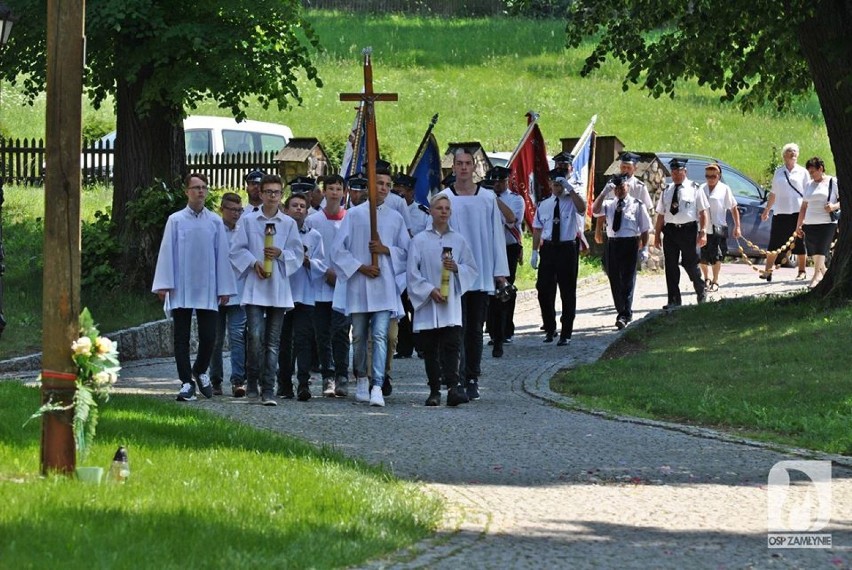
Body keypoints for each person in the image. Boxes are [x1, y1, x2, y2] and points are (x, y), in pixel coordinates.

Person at [152, 173, 236, 402]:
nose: (200, 191)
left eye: (204, 188)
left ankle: (199, 370)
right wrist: (164, 285)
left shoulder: (215, 222)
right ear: (187, 191)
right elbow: (167, 251)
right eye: (196, 187)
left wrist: (224, 287)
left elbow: (222, 255)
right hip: (182, 285)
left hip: (208, 287)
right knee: (181, 336)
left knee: (210, 336)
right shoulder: (176, 220)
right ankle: (186, 382)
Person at [332, 165, 410, 407]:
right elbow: (338, 249)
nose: (384, 188)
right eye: (380, 184)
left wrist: (385, 250)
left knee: (380, 334)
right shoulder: (354, 215)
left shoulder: (395, 218)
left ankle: (377, 383)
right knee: (359, 336)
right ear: (370, 186)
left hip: (384, 285)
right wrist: (361, 267)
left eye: (388, 185)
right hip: (360, 284)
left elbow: (406, 251)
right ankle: (362, 378)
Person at [438, 148, 510, 401]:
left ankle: (472, 377)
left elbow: (496, 235)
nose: (464, 168)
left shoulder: (488, 198)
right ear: (453, 167)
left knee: (475, 329)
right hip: (454, 273)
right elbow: (435, 234)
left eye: (468, 163)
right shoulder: (444, 197)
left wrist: (499, 272)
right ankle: (455, 377)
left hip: (480, 272)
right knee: (456, 327)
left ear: (474, 166)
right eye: (459, 163)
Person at [230, 173, 303, 406]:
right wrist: (254, 262)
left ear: (282, 195)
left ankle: (268, 389)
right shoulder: (249, 221)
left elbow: (297, 254)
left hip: (278, 287)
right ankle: (252, 383)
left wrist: (281, 254)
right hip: (255, 286)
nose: (273, 196)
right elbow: (236, 250)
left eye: (277, 192)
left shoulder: (289, 223)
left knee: (273, 342)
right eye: (268, 192)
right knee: (254, 336)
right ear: (260, 194)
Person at [406, 194, 479, 407]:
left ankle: (453, 387)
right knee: (431, 349)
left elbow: (471, 268)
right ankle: (434, 390)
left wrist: (457, 268)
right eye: (439, 207)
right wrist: (429, 290)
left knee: (452, 346)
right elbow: (412, 273)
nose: (444, 211)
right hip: (429, 303)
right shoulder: (419, 240)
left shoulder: (458, 240)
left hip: (450, 304)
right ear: (431, 211)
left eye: (447, 208)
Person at [277, 192, 326, 401]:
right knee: (283, 341)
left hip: (305, 295)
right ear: (286, 210)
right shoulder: (279, 233)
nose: (298, 209)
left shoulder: (314, 235)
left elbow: (321, 265)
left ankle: (304, 383)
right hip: (283, 293)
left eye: (302, 206)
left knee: (304, 340)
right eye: (294, 205)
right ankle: (284, 383)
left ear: (307, 211)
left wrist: (308, 262)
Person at [305, 174, 351, 397]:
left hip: (342, 284)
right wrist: (324, 271)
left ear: (343, 192)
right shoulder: (314, 220)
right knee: (322, 333)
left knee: (341, 331)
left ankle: (343, 374)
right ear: (324, 191)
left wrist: (341, 273)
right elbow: (310, 251)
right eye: (330, 188)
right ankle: (328, 376)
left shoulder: (349, 219)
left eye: (338, 188)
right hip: (320, 284)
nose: (334, 192)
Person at [531, 168, 587, 345]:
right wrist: (534, 252)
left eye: (559, 184)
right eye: (554, 184)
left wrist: (569, 188)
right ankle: (549, 327)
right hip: (548, 249)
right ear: (549, 184)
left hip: (566, 248)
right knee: (543, 289)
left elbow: (583, 208)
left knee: (567, 290)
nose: (557, 188)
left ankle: (566, 332)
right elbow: (538, 228)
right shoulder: (544, 204)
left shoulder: (571, 200)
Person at [592, 175, 652, 329]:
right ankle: (622, 310)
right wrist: (605, 192)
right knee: (614, 279)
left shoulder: (637, 205)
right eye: (616, 188)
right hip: (613, 244)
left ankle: (624, 314)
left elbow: (645, 229)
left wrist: (644, 248)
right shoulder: (609, 204)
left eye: (622, 187)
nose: (619, 191)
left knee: (627, 279)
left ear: (628, 187)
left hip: (630, 243)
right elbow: (594, 211)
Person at [653, 158, 709, 309]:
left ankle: (700, 288)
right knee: (670, 266)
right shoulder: (667, 190)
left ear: (685, 171)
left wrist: (703, 232)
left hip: (688, 230)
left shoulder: (695, 188)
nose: (676, 175)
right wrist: (657, 235)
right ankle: (673, 300)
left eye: (679, 171)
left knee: (690, 263)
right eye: (673, 172)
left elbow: (703, 212)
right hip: (670, 231)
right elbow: (661, 214)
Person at [209, 192, 248, 397]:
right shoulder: (215, 230)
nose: (235, 214)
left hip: (238, 292)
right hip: (216, 293)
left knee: (237, 337)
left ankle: (238, 380)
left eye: (239, 210)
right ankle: (215, 379)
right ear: (222, 209)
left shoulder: (244, 230)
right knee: (215, 339)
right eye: (231, 210)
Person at [484, 166, 524, 357]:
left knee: (505, 291)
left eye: (500, 181)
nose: (497, 185)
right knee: (489, 293)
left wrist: (496, 200)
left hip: (508, 248)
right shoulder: (483, 198)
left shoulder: (515, 199)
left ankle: (506, 329)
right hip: (488, 249)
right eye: (493, 182)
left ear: (506, 181)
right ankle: (493, 331)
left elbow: (512, 220)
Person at [760, 143, 809, 282]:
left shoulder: (802, 172)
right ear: (784, 155)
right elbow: (773, 193)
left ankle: (802, 271)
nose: (793, 153)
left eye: (795, 151)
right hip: (780, 212)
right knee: (774, 242)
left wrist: (807, 213)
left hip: (797, 212)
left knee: (799, 242)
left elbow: (808, 193)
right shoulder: (779, 171)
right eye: (789, 151)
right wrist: (767, 209)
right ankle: (767, 271)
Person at [393, 173, 428, 360]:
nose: (398, 197)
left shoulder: (422, 213)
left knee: (417, 307)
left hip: (417, 268)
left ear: (411, 193)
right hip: (397, 268)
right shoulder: (391, 214)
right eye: (395, 192)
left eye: (402, 193)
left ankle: (422, 346)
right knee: (399, 308)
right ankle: (404, 346)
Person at [797, 156, 840, 289]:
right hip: (810, 223)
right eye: (809, 172)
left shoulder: (833, 182)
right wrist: (799, 224)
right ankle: (825, 274)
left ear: (820, 169)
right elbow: (803, 206)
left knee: (821, 249)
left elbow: (844, 200)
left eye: (813, 172)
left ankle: (816, 276)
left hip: (827, 222)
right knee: (814, 251)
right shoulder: (809, 184)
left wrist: (833, 207)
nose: (811, 175)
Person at [699, 163, 741, 291]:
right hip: (703, 228)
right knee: (702, 256)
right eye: (708, 176)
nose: (710, 179)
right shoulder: (701, 189)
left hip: (719, 226)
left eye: (713, 176)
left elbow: (733, 208)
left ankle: (715, 280)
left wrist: (737, 226)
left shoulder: (724, 189)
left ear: (719, 176)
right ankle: (706, 278)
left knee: (717, 255)